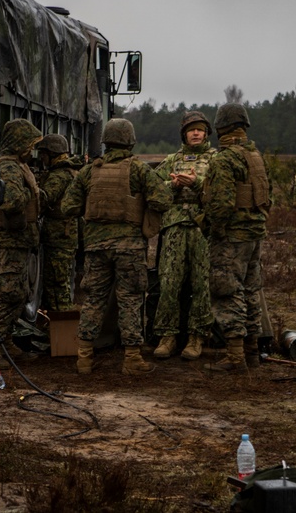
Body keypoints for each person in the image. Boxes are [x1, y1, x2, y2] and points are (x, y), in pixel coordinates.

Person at [61, 118, 172, 375]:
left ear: (106, 141)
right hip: (130, 248)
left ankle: (84, 358)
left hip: (96, 247)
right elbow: (163, 199)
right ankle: (132, 359)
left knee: (93, 300)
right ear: (130, 140)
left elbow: (68, 207)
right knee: (130, 300)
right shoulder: (139, 170)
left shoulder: (89, 171)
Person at [201, 103, 271, 373]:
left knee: (227, 292)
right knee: (251, 292)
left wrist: (212, 230)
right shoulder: (256, 156)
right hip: (254, 234)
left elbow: (220, 206)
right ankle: (251, 352)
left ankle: (234, 356)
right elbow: (267, 196)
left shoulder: (225, 159)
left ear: (220, 128)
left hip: (231, 237)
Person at [152, 111, 217, 360]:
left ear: (207, 133)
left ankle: (196, 337)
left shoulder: (216, 159)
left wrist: (197, 183)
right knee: (169, 282)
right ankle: (167, 336)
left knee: (201, 284)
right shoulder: (172, 160)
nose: (196, 133)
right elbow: (154, 188)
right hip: (175, 227)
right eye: (192, 130)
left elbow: (222, 191)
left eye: (200, 129)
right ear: (184, 134)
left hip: (203, 230)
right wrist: (174, 186)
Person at [0, 119, 43, 363]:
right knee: (9, 293)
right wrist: (27, 198)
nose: (32, 149)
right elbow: (11, 201)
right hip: (8, 240)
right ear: (19, 144)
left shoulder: (18, 165)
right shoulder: (9, 167)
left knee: (19, 294)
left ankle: (4, 341)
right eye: (29, 144)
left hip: (19, 240)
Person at [36, 133, 79, 312]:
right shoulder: (68, 172)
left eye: (44, 154)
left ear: (53, 154)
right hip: (62, 236)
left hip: (59, 237)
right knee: (58, 283)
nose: (41, 158)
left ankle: (62, 330)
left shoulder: (59, 176)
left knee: (57, 285)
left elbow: (44, 200)